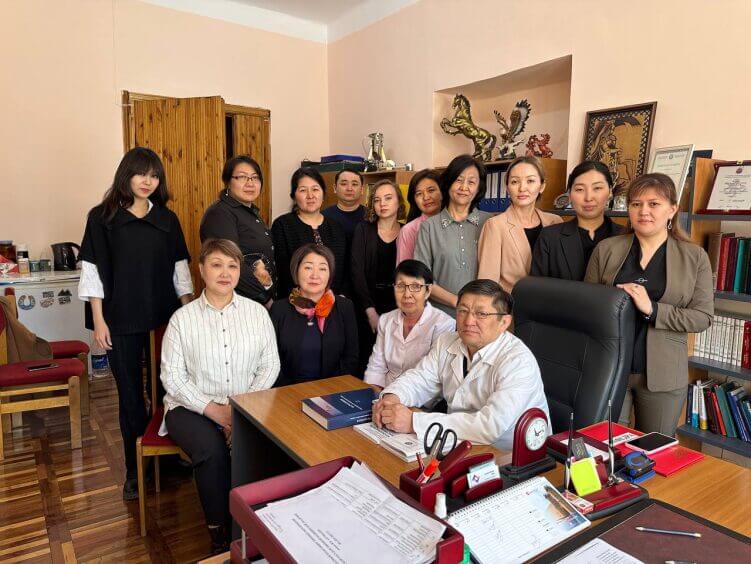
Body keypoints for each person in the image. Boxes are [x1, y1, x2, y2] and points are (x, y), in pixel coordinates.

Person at [78, 147, 193, 501]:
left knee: (166, 391)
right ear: (126, 175)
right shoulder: (102, 218)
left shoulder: (167, 219)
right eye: (141, 173)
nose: (148, 181)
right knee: (130, 397)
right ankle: (135, 469)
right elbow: (92, 273)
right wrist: (99, 321)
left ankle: (167, 458)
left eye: (155, 176)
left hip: (163, 319)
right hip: (120, 319)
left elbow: (180, 271)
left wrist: (190, 316)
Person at [160, 239, 280, 553]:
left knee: (258, 446)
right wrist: (217, 411)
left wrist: (240, 410)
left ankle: (251, 529)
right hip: (190, 407)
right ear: (201, 270)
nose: (225, 273)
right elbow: (172, 377)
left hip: (248, 403)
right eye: (216, 265)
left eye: (232, 266)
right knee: (211, 450)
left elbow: (270, 365)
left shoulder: (257, 313)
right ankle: (219, 535)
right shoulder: (182, 319)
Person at [585, 173, 713, 435]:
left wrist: (652, 309)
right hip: (608, 368)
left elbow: (702, 318)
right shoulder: (606, 249)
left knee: (654, 450)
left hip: (663, 375)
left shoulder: (694, 256)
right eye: (636, 204)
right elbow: (585, 308)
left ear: (672, 209)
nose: (644, 211)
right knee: (604, 445)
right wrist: (608, 302)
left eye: (654, 204)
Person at [373, 280, 549, 450]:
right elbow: (419, 379)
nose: (468, 321)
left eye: (481, 314)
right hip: (457, 443)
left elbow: (490, 426)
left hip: (508, 455)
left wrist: (413, 422)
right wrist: (392, 397)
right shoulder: (447, 341)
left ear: (504, 322)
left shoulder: (518, 361)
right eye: (463, 311)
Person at [414, 155, 492, 316]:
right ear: (448, 182)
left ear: (479, 188)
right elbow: (421, 279)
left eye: (471, 182)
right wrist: (458, 302)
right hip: (440, 317)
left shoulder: (490, 223)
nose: (464, 187)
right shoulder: (429, 227)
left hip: (482, 316)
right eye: (458, 180)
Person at [270, 244, 358, 386]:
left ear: (330, 274)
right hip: (288, 391)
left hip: (334, 390)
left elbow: (351, 358)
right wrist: (290, 391)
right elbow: (271, 360)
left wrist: (330, 389)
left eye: (322, 269)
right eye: (308, 268)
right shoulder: (279, 309)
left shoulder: (344, 307)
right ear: (296, 270)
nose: (315, 275)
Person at [364, 260, 455, 389]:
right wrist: (373, 393)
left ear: (428, 290)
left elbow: (430, 375)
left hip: (421, 395)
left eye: (416, 286)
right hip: (384, 392)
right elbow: (376, 367)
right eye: (400, 286)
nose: (407, 294)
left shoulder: (444, 324)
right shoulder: (386, 320)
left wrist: (394, 396)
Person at [477, 156, 563, 292]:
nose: (522, 188)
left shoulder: (555, 222)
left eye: (530, 181)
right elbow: (488, 284)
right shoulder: (495, 225)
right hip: (511, 303)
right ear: (507, 188)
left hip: (552, 301)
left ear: (542, 186)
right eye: (515, 181)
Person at [200, 156, 275, 307]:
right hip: (238, 304)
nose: (250, 183)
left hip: (256, 302)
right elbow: (228, 263)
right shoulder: (220, 214)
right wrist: (266, 300)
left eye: (255, 178)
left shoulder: (249, 212)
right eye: (242, 177)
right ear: (228, 181)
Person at [531, 160, 624, 281]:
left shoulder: (626, 237)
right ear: (569, 194)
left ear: (610, 191)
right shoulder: (549, 238)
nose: (588, 198)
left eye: (597, 188)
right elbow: (536, 288)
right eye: (580, 189)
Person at [351, 179, 405, 372]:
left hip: (398, 305)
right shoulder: (363, 230)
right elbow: (356, 272)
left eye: (388, 198)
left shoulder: (407, 231)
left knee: (395, 362)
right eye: (377, 199)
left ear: (399, 201)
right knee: (368, 363)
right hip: (367, 304)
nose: (382, 204)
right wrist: (370, 311)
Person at [271, 168, 346, 297]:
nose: (310, 196)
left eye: (315, 189)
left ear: (323, 194)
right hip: (294, 302)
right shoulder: (282, 225)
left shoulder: (336, 227)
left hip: (333, 301)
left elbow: (342, 270)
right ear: (294, 196)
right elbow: (282, 271)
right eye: (303, 190)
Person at [322, 168, 366, 296]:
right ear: (335, 188)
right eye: (344, 183)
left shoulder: (370, 217)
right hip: (331, 285)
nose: (349, 188)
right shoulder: (323, 217)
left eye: (354, 184)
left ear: (362, 190)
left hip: (364, 284)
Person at [396, 169, 442, 263]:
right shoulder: (408, 231)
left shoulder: (456, 223)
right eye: (419, 194)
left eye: (431, 190)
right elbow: (405, 269)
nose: (426, 197)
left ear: (443, 192)